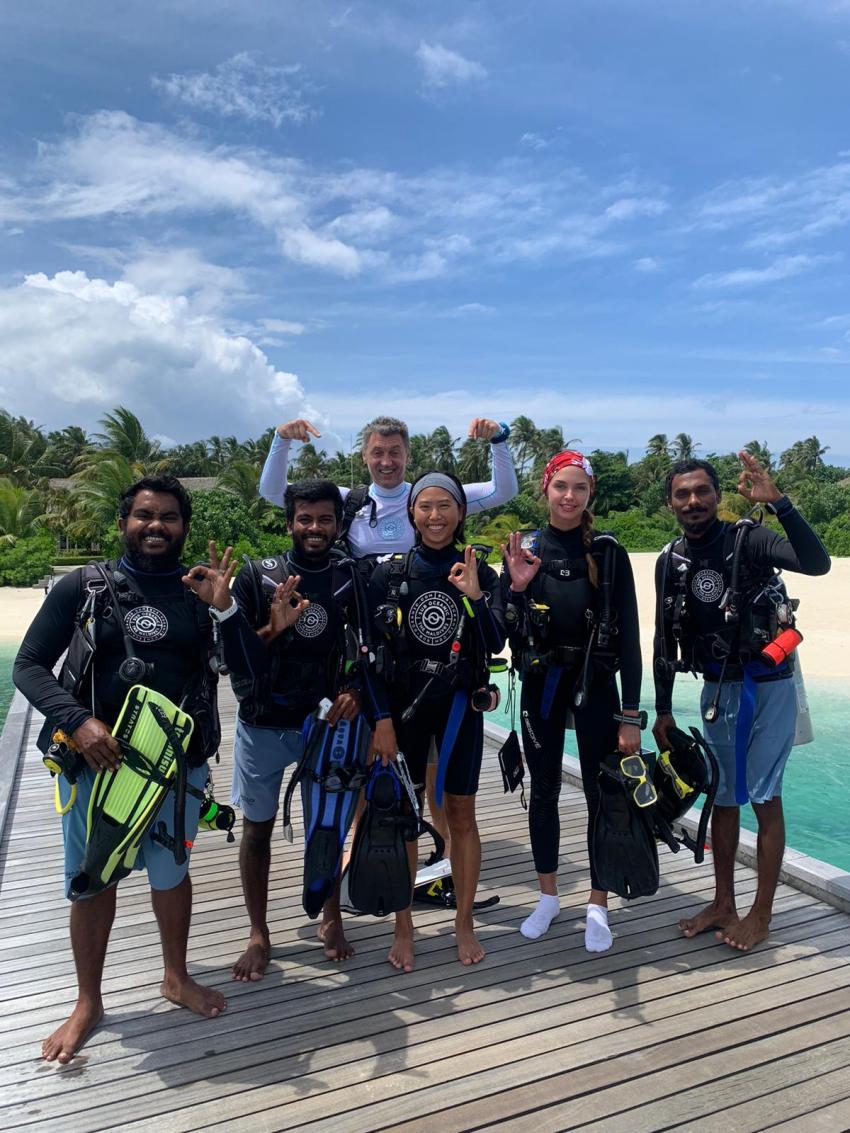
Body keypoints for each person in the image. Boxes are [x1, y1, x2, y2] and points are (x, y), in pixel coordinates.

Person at [13, 476, 225, 1064]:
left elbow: (239, 663)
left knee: (171, 872)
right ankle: (88, 1000)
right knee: (92, 878)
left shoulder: (198, 592)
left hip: (175, 769)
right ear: (123, 521)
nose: (155, 526)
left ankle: (175, 976)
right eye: (144, 515)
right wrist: (77, 720)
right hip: (95, 766)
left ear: (184, 526)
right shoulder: (83, 587)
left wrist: (226, 611)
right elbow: (29, 667)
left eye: (168, 518)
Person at [260, 413, 518, 855]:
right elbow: (273, 493)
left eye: (395, 452)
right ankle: (359, 856)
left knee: (434, 773)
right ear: (364, 456)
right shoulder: (349, 501)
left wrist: (499, 440)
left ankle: (442, 857)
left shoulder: (428, 499)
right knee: (372, 758)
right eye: (377, 452)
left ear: (407, 456)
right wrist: (281, 442)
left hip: (427, 650)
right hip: (367, 644)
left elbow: (503, 490)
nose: (386, 461)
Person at [182, 480, 379, 982]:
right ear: (289, 521)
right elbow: (236, 665)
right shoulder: (257, 576)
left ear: (339, 523)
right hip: (264, 723)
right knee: (257, 829)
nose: (315, 529)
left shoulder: (349, 575)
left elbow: (369, 649)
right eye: (305, 519)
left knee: (329, 826)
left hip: (326, 725)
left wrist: (355, 691)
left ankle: (330, 914)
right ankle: (258, 931)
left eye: (325, 520)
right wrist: (273, 627)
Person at [653, 452, 831, 951]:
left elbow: (817, 564)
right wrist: (662, 708)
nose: (693, 501)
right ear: (670, 503)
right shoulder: (670, 560)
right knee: (724, 797)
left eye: (702, 491)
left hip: (769, 685)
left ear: (717, 495)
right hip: (716, 689)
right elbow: (664, 639)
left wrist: (781, 504)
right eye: (682, 494)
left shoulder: (748, 540)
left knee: (765, 796)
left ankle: (762, 913)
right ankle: (723, 902)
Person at [501, 450, 643, 953]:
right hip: (542, 683)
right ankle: (548, 896)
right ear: (546, 489)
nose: (569, 496)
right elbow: (501, 627)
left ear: (590, 495)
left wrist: (631, 715)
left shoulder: (608, 552)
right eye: (561, 486)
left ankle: (598, 902)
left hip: (595, 683)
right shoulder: (525, 546)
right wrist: (515, 587)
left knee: (600, 793)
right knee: (543, 790)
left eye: (579, 488)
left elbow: (629, 642)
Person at [369, 471, 506, 971]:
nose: (435, 515)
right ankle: (403, 925)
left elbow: (494, 642)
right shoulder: (391, 572)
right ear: (410, 512)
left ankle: (463, 922)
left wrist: (473, 594)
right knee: (404, 821)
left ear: (460, 513)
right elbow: (372, 657)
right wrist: (381, 718)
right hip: (405, 713)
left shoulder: (479, 571)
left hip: (457, 711)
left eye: (445, 505)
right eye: (424, 506)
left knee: (462, 817)